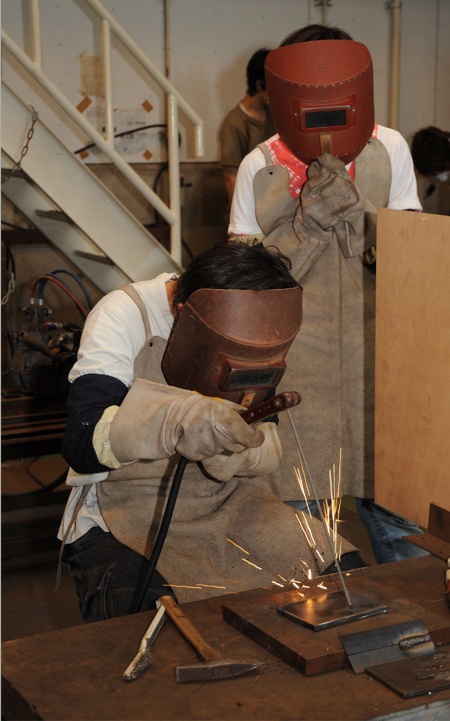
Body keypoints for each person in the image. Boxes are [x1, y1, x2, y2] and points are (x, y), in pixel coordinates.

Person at [58, 241, 363, 622]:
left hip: (224, 501)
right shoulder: (124, 313)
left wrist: (240, 450)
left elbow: (267, 439)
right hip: (122, 507)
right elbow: (81, 442)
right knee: (146, 622)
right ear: (181, 312)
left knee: (346, 577)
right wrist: (172, 419)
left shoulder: (255, 319)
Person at [228, 24, 429, 565]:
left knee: (402, 519)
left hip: (380, 364)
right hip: (298, 374)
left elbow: (412, 263)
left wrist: (362, 220)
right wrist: (307, 229)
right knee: (302, 529)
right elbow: (245, 286)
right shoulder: (261, 166)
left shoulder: (388, 150)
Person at [219, 48, 276, 205]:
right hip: (251, 206)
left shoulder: (274, 114)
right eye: (275, 85)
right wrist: (242, 216)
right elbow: (230, 178)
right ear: (260, 85)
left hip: (275, 204)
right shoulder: (234, 124)